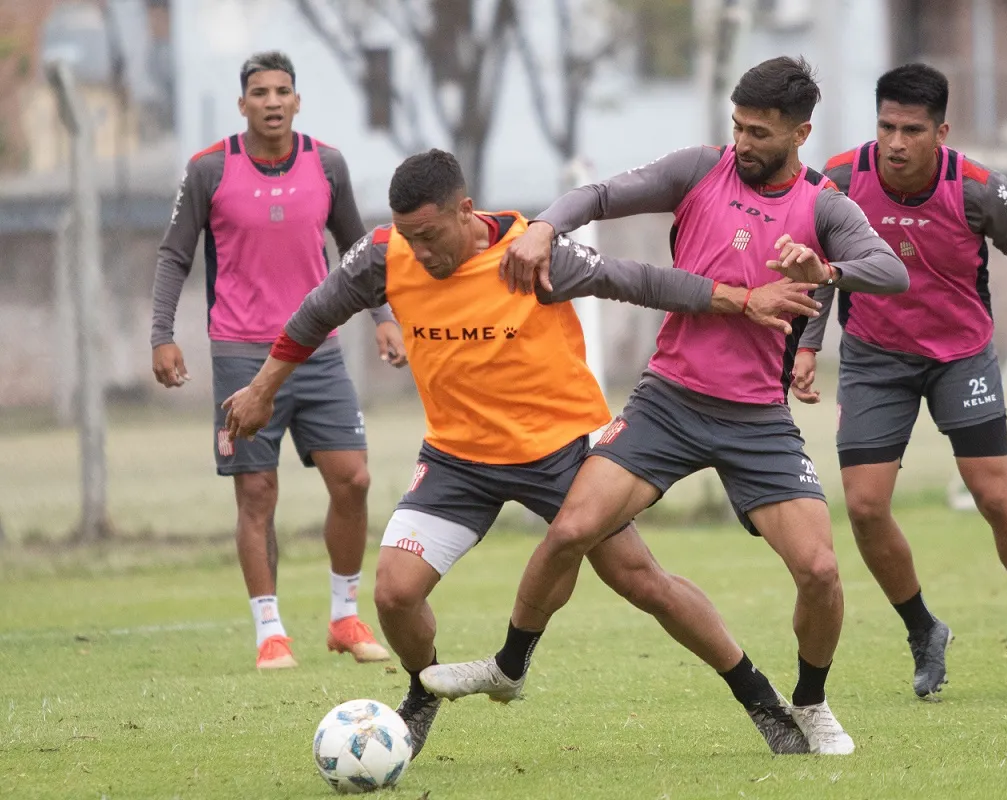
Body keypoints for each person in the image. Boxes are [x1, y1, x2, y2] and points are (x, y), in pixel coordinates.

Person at [222, 148, 828, 758]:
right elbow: (312, 315)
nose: (421, 252)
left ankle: (762, 702)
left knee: (643, 582)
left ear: (466, 211)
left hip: (556, 455)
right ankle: (423, 691)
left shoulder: (531, 256)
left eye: (430, 236)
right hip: (456, 460)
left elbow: (640, 281)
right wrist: (261, 388)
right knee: (394, 593)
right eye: (411, 237)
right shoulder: (383, 254)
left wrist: (742, 299)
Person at [420, 56, 909, 755]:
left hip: (757, 420)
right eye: (737, 126)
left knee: (821, 571)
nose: (743, 142)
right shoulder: (699, 168)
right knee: (568, 531)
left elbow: (891, 269)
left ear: (801, 133)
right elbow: (598, 194)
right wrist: (543, 228)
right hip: (668, 403)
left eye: (761, 133)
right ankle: (508, 667)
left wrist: (826, 270)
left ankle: (810, 701)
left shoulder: (824, 205)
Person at [792, 63, 1007, 699]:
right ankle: (923, 629)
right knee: (864, 507)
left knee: (996, 497)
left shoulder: (976, 188)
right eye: (887, 126)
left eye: (912, 130)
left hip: (960, 356)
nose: (896, 142)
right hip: (873, 357)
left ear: (940, 132)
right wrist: (807, 344)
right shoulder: (837, 180)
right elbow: (815, 258)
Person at [151, 51, 403, 670]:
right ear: (243, 105)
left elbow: (357, 250)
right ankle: (271, 631)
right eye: (259, 92)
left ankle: (345, 618)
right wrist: (162, 333)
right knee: (258, 493)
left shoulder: (329, 165)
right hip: (240, 353)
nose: (271, 101)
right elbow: (174, 256)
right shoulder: (209, 169)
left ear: (297, 101)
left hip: (318, 351)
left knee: (355, 479)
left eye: (282, 91)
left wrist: (384, 317)